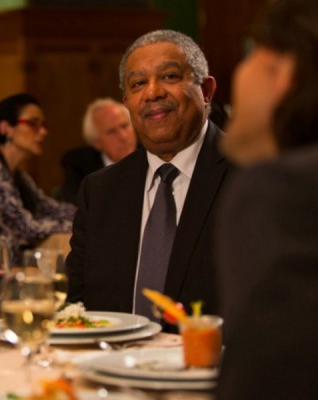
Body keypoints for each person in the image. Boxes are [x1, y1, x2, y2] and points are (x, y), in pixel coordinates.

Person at [66, 30, 234, 323]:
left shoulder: (252, 177)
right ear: (127, 102)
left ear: (206, 91)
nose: (153, 93)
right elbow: (74, 306)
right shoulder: (100, 190)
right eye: (138, 83)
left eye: (169, 76)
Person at [216, 0, 318, 398]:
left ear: (284, 71)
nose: (237, 73)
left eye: (249, 54)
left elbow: (266, 379)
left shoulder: (281, 192)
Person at [0, 93, 76, 264]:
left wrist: (89, 215)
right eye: (33, 123)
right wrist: (80, 224)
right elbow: (24, 228)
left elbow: (49, 208)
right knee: (70, 242)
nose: (43, 132)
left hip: (18, 258)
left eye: (43, 125)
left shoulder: (18, 174)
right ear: (5, 128)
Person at [58, 98, 138, 204]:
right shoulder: (79, 165)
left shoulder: (152, 154)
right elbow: (77, 206)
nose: (123, 136)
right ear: (97, 142)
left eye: (125, 126)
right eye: (111, 131)